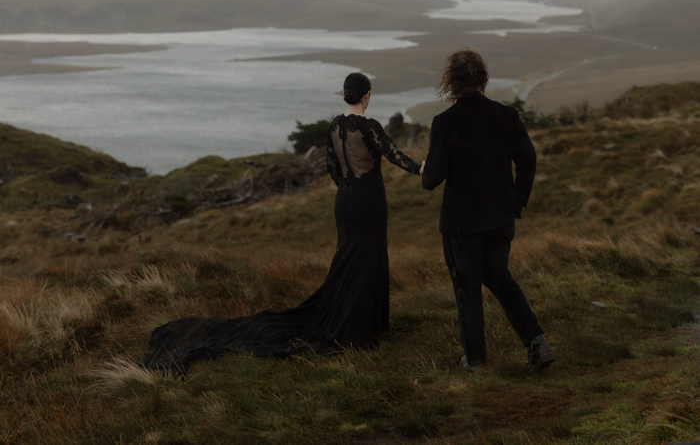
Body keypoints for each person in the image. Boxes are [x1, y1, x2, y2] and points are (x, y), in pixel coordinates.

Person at [142, 72, 421, 372]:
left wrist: (347, 188)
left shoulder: (335, 125)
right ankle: (362, 331)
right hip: (369, 201)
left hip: (345, 201)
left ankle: (352, 324)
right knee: (367, 259)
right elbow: (394, 156)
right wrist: (421, 169)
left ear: (345, 94)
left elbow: (331, 167)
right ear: (367, 95)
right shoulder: (369, 126)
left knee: (347, 261)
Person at [421, 47, 554, 372]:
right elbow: (528, 159)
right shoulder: (506, 115)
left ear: (451, 82)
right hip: (500, 217)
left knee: (467, 287)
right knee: (500, 278)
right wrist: (516, 201)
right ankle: (538, 343)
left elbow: (432, 179)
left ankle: (476, 360)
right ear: (483, 78)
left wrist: (425, 169)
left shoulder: (445, 122)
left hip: (461, 224)